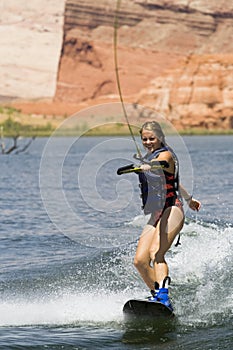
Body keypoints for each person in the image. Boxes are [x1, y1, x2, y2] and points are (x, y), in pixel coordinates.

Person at [133, 121, 201, 311]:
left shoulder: (166, 155)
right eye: (144, 139)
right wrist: (190, 199)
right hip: (156, 211)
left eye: (151, 138)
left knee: (156, 253)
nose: (148, 142)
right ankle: (157, 295)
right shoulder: (148, 156)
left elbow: (162, 164)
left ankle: (164, 298)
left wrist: (148, 166)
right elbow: (175, 182)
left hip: (173, 208)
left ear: (160, 138)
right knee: (139, 261)